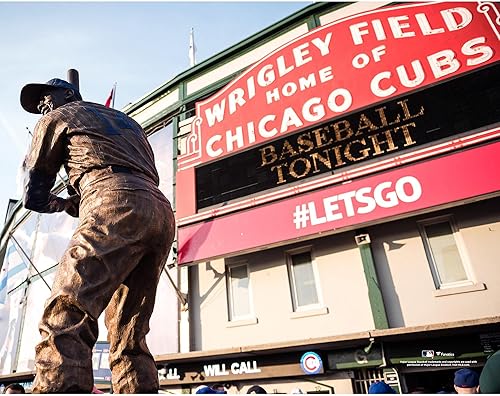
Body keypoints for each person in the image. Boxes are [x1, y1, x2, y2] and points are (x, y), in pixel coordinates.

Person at [20, 78, 175, 393]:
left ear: (68, 94)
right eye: (39, 106)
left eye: (45, 98)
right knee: (129, 334)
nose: (42, 107)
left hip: (112, 203)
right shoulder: (128, 123)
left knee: (67, 310)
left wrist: (64, 204)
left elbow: (32, 193)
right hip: (159, 210)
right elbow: (127, 169)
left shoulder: (57, 117)